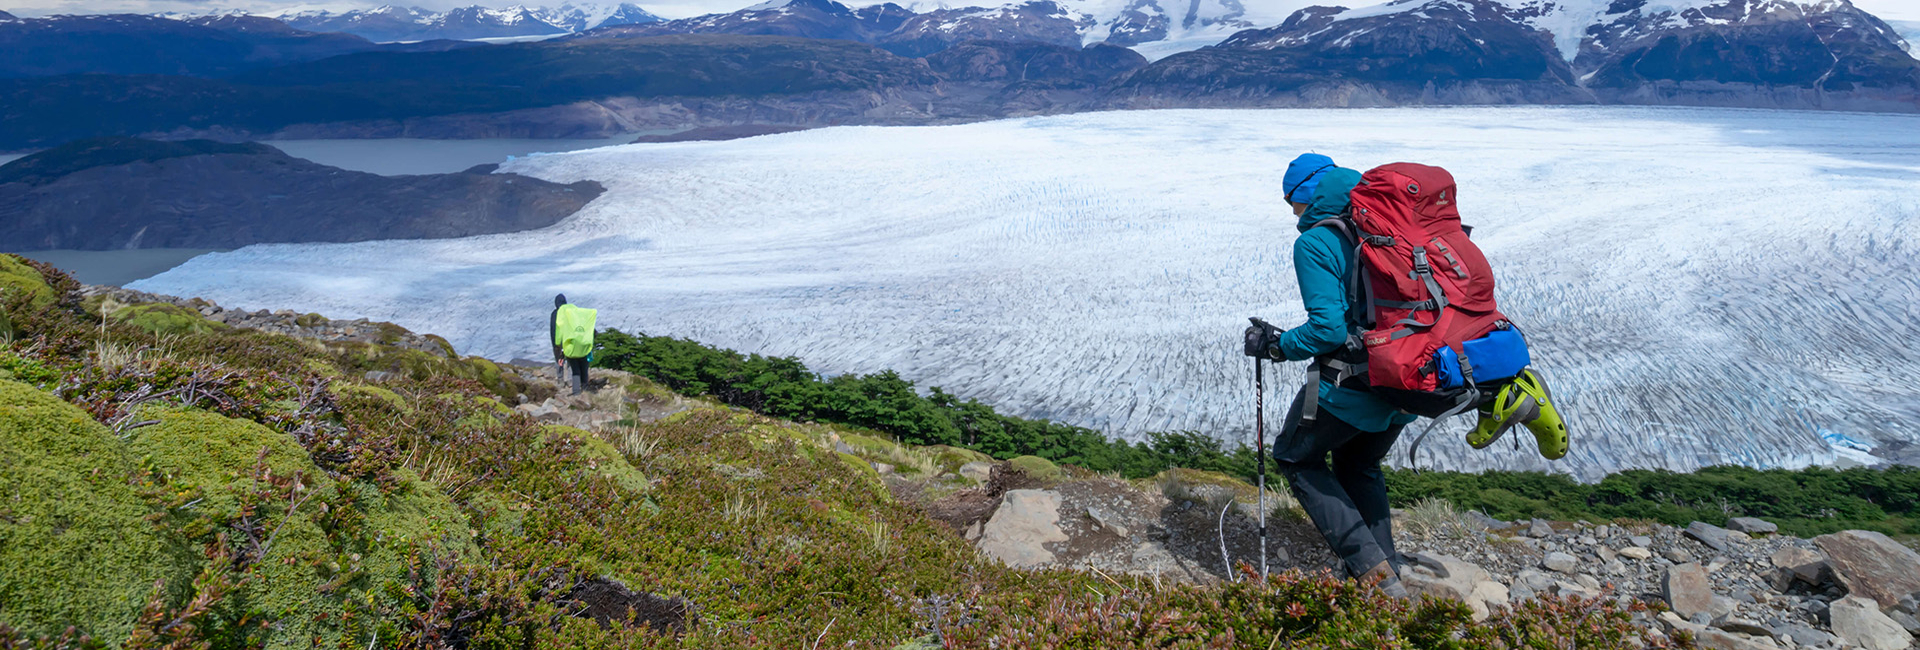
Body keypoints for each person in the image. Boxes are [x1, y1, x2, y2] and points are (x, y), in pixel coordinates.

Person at [1244, 153, 1416, 597]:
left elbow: (1327, 329)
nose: (1294, 213)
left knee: (1295, 456)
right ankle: (1386, 574)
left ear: (1305, 195)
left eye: (1291, 203)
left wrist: (1278, 347)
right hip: (1410, 378)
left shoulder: (1317, 241)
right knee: (1359, 463)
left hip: (1354, 384)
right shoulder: (1391, 226)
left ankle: (1371, 573)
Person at [550, 294, 594, 395]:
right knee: (583, 366)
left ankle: (570, 387)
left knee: (573, 367)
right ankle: (583, 388)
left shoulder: (556, 314)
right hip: (582, 342)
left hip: (566, 344)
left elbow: (554, 330)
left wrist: (557, 346)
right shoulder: (575, 312)